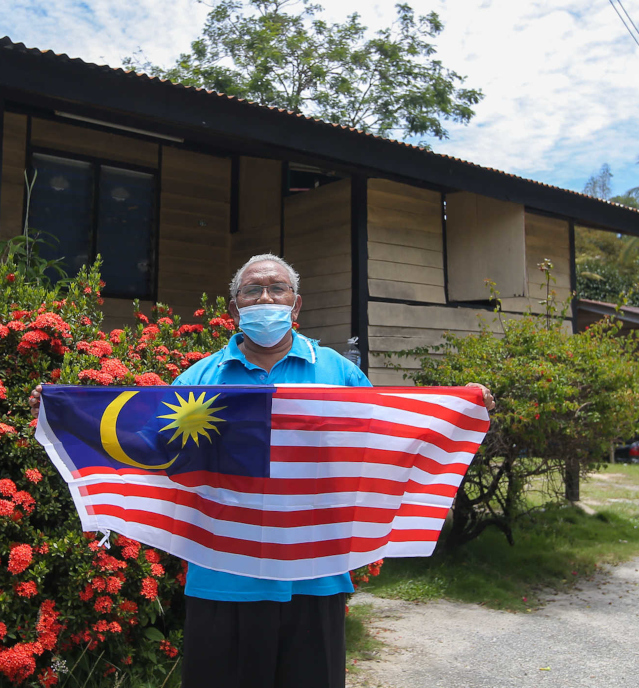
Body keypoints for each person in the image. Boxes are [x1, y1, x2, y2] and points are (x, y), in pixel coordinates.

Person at [30, 253, 495, 688]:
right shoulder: (200, 377)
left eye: (278, 289)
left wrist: (460, 408)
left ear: (297, 303)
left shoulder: (337, 372)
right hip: (222, 573)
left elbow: (382, 442)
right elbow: (149, 446)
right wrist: (65, 414)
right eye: (253, 291)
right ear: (235, 306)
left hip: (315, 573)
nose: (266, 299)